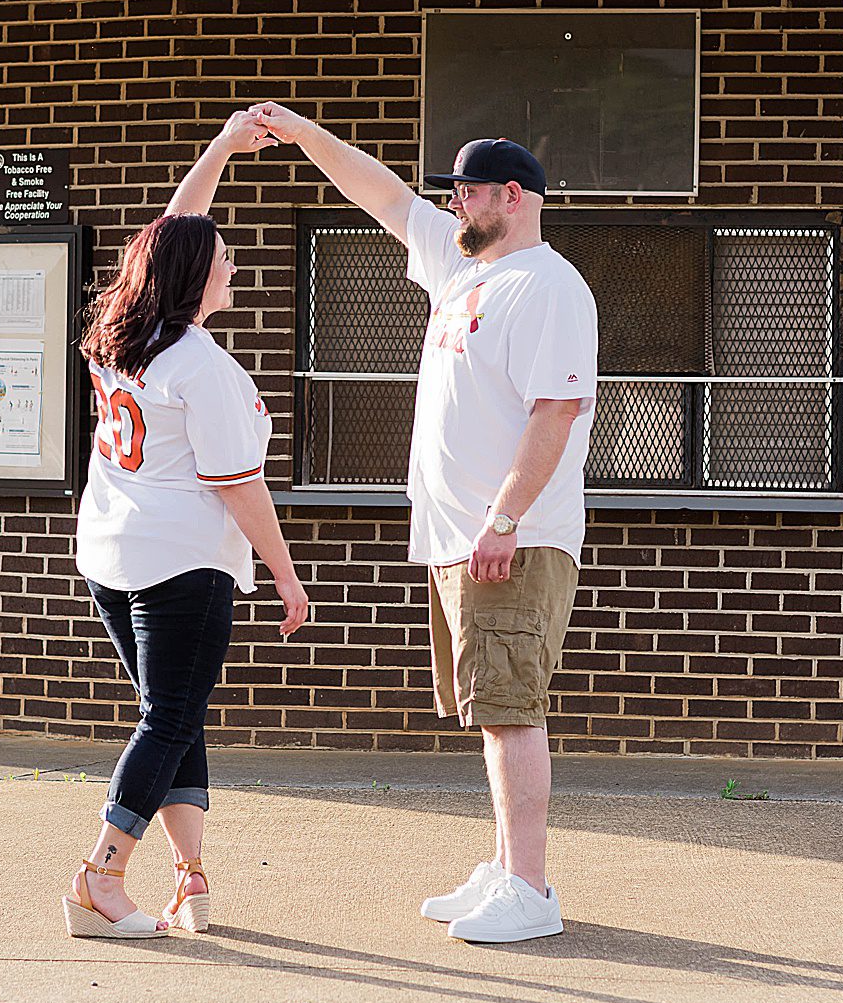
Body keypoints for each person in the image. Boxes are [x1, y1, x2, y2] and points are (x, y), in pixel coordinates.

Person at [248, 102, 597, 944]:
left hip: (511, 539)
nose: (450, 208)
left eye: (466, 195)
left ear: (512, 196)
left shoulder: (549, 286)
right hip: (457, 539)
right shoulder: (460, 267)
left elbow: (556, 413)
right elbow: (385, 197)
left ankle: (529, 887)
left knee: (512, 706)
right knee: (488, 706)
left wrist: (505, 517)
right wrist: (303, 134)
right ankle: (504, 863)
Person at [63, 111, 310, 939]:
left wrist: (220, 151)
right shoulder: (201, 364)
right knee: (169, 717)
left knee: (173, 714)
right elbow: (241, 488)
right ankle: (99, 876)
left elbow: (174, 230)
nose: (231, 260)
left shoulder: (121, 334)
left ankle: (192, 880)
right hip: (182, 563)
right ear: (196, 278)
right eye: (223, 258)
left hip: (111, 550)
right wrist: (283, 570)